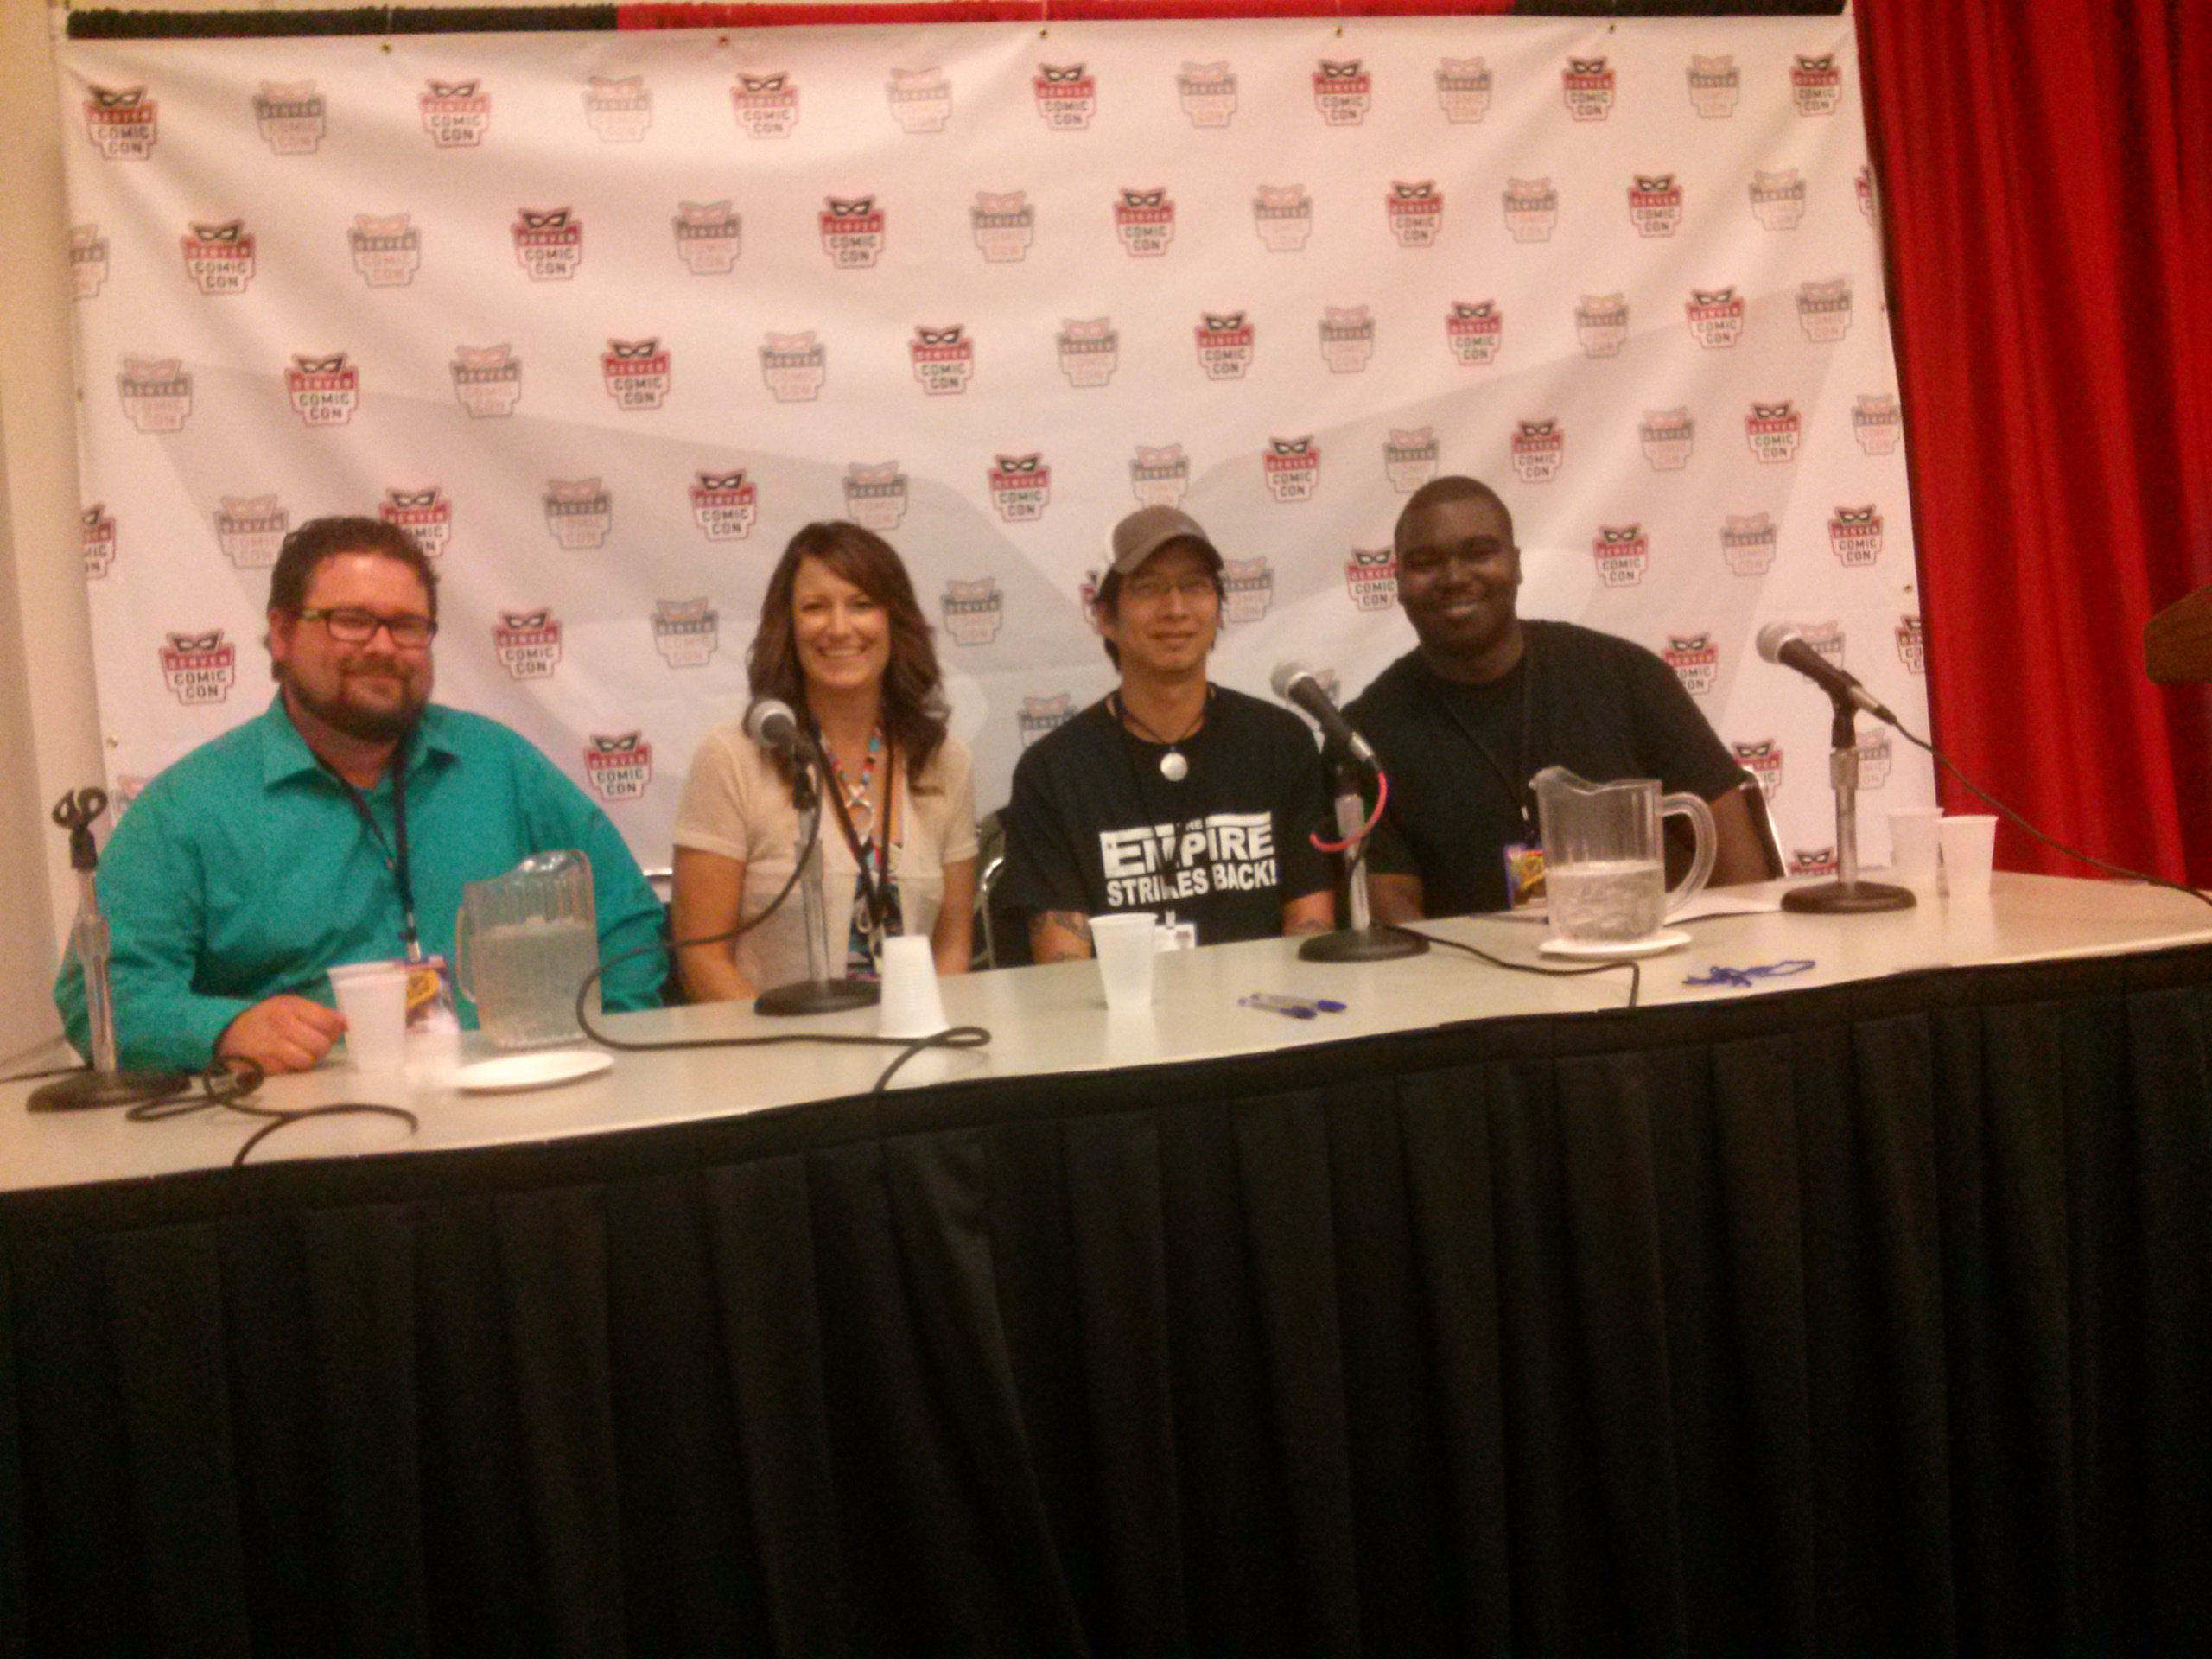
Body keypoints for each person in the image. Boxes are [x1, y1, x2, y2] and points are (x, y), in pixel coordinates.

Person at [54, 516, 666, 1074]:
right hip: (308, 1154)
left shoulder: (499, 764)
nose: (381, 646)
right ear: (284, 632)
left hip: (517, 1127)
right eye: (351, 621)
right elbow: (96, 996)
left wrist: (605, 1045)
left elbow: (628, 920)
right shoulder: (191, 806)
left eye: (406, 626)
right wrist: (224, 1031)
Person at [1346, 475, 1770, 920]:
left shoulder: (1625, 676)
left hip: (1649, 971)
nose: (1454, 577)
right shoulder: (1368, 732)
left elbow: (1737, 862)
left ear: (1516, 564)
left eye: (1479, 553)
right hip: (1477, 983)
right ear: (1396, 582)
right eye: (1426, 562)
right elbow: (1394, 913)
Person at [1001, 504, 1335, 961]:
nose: (1175, 609)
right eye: (1149, 588)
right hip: (1121, 1023)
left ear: (1218, 610)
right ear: (1105, 617)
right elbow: (1063, 968)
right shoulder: (1055, 770)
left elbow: (1310, 925)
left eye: (1194, 586)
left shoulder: (1280, 742)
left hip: (1272, 1016)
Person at [671, 521, 976, 1001]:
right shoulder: (732, 758)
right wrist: (788, 1062)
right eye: (815, 607)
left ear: (894, 621)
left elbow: (954, 948)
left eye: (861, 605)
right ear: (787, 628)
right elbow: (703, 959)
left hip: (916, 1058)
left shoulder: (943, 762)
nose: (839, 628)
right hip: (772, 1061)